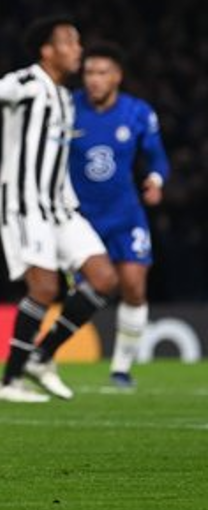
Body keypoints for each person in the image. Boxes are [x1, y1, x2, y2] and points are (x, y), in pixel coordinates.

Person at [0, 15, 120, 403]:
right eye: (70, 42)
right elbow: (1, 89)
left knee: (105, 279)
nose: (78, 49)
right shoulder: (31, 83)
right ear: (48, 51)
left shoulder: (64, 96)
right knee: (44, 287)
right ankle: (9, 382)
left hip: (61, 207)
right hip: (25, 205)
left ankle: (42, 357)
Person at [69, 43, 169, 389]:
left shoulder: (138, 113)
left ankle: (121, 369)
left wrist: (155, 181)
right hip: (80, 219)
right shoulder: (67, 109)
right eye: (89, 73)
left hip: (126, 215)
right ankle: (45, 354)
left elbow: (158, 158)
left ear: (117, 76)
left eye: (101, 73)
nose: (93, 80)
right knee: (88, 290)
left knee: (134, 287)